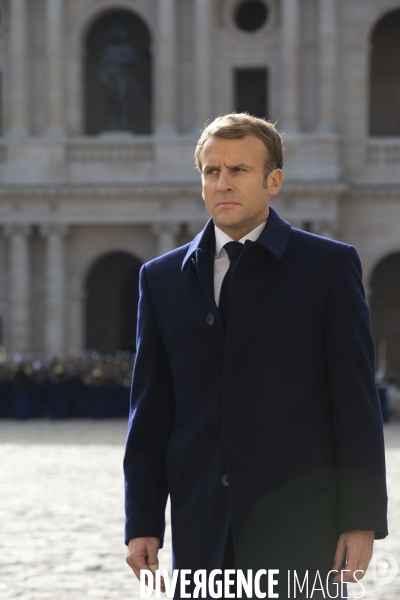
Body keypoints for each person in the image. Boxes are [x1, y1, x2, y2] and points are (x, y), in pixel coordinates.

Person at [124, 114, 388, 599]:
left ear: (274, 181)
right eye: (211, 171)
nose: (222, 184)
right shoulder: (160, 280)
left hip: (301, 520)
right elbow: (151, 415)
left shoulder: (328, 267)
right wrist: (142, 520)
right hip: (200, 518)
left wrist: (362, 519)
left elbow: (356, 404)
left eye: (238, 171)